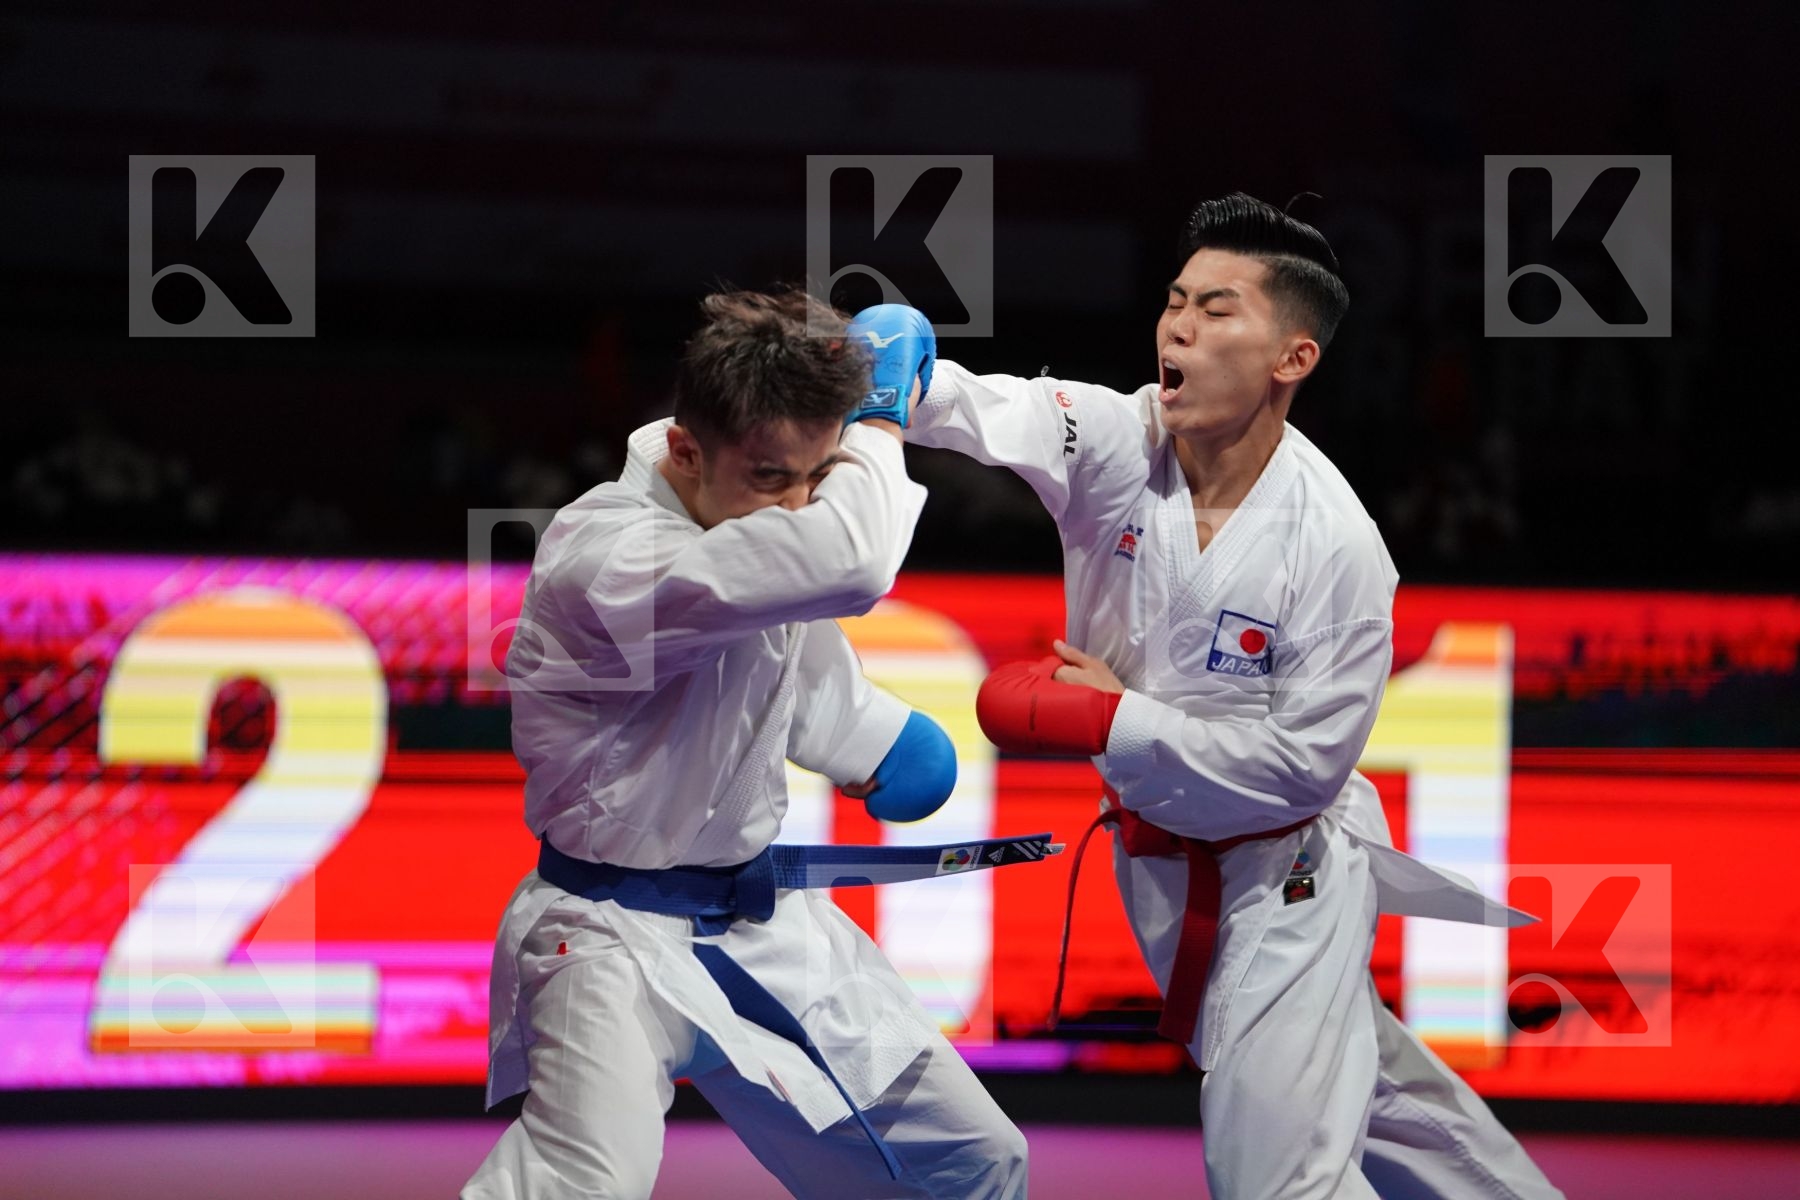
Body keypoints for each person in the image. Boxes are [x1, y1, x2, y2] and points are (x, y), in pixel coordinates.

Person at [880, 194, 1564, 1199]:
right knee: (1379, 1103)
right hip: (1156, 861)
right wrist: (910, 383)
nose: (1180, 327)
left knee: (1274, 1176)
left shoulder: (1337, 547)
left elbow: (1301, 769)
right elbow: (1009, 411)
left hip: (1290, 878)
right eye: (1174, 301)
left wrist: (1118, 719)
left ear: (1292, 358)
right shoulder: (1118, 441)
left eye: (1217, 308)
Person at [462, 288, 1030, 1199]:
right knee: (579, 1187)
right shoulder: (610, 559)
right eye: (771, 478)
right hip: (608, 936)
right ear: (686, 449)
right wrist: (882, 418)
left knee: (973, 1163)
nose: (797, 504)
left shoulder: (745, 537)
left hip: (766, 924)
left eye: (818, 475)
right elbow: (848, 561)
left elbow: (797, 681)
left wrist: (880, 746)